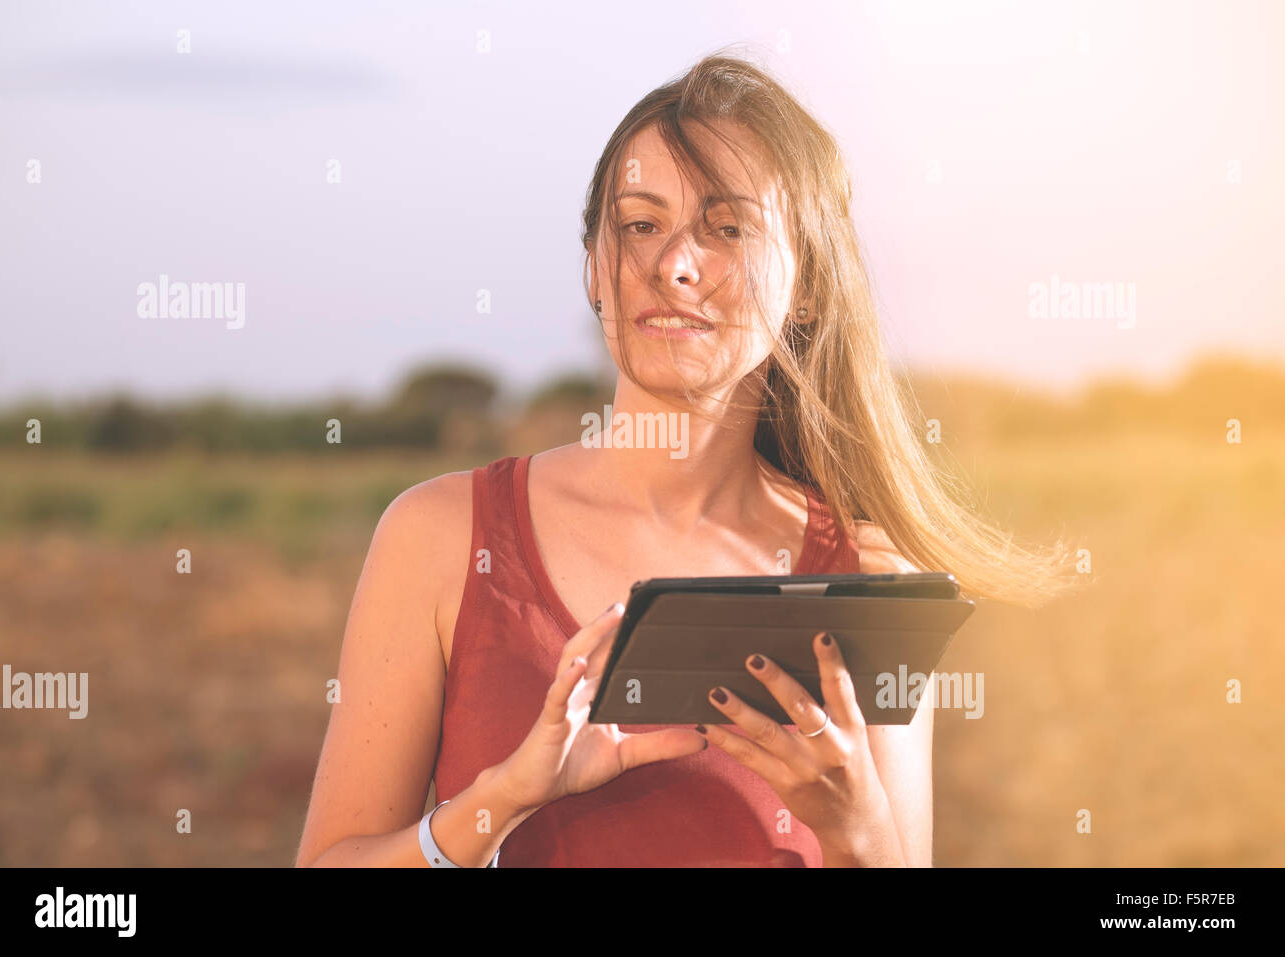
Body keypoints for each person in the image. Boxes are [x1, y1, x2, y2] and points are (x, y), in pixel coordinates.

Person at [294, 50, 1078, 868]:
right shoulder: (437, 536)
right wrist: (503, 797)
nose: (674, 264)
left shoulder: (871, 582)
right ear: (597, 266)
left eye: (728, 228)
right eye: (640, 224)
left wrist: (857, 831)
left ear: (806, 282)